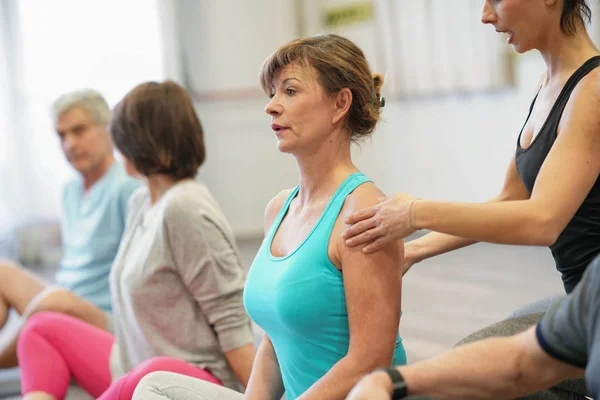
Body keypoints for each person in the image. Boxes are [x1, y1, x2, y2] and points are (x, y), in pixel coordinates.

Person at [342, 0, 600, 397]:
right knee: (497, 342)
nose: (485, 15)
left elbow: (541, 221)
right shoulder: (550, 84)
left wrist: (416, 212)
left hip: (592, 305)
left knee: (474, 373)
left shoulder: (595, 90)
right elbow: (511, 200)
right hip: (581, 298)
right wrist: (414, 251)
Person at [131, 33, 406, 400]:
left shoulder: (364, 211)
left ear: (340, 104)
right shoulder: (279, 209)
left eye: (290, 91)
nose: (272, 106)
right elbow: (275, 342)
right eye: (272, 93)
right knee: (156, 388)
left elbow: (370, 361)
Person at [16, 80, 256, 400]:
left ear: (141, 141)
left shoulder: (185, 207)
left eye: (120, 135)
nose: (116, 146)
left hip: (192, 376)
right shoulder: (141, 202)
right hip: (136, 365)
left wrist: (260, 395)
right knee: (40, 328)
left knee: (149, 375)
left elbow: (231, 319)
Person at [0, 89, 140, 368]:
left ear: (108, 130)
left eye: (79, 130)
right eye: (62, 135)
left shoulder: (128, 189)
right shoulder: (70, 192)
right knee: (2, 272)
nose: (70, 144)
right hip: (67, 296)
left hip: (107, 315)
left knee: (57, 302)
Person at [347, 252, 600, 400]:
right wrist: (389, 380)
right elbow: (519, 361)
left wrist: (415, 214)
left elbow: (542, 219)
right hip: (577, 304)